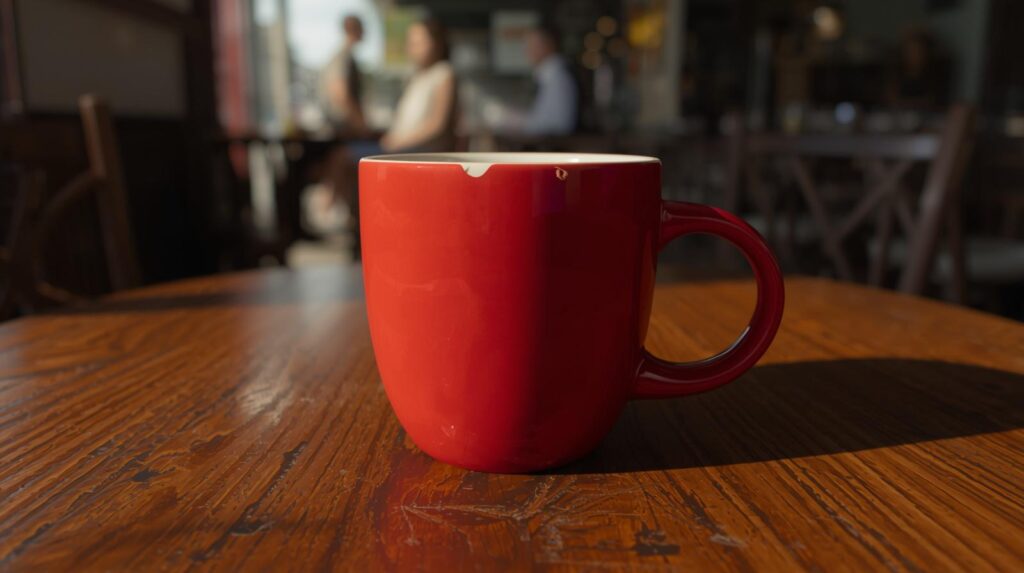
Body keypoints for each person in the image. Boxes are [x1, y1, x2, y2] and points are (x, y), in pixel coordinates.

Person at [493, 25, 578, 135]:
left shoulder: (558, 78)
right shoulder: (549, 77)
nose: (527, 51)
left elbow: (559, 125)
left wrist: (518, 123)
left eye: (532, 45)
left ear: (548, 45)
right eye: (527, 46)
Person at [321, 15, 367, 135]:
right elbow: (340, 94)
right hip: (342, 128)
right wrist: (359, 122)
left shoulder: (345, 57)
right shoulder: (343, 58)